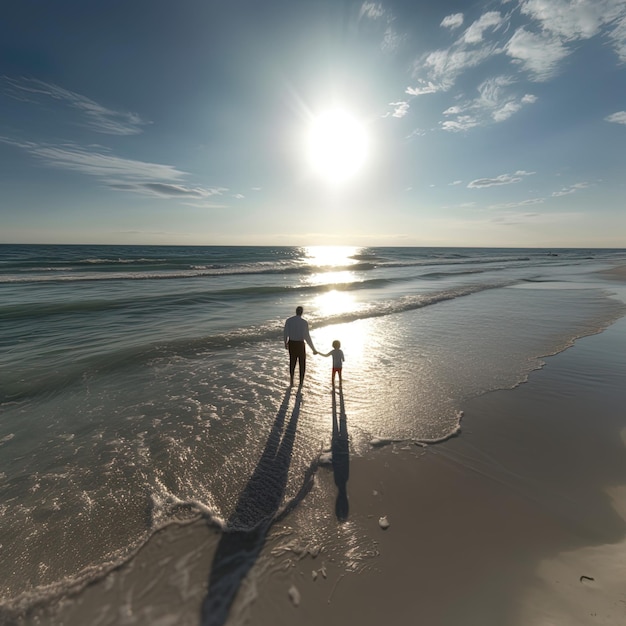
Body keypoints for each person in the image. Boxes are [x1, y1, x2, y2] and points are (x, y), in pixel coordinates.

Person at [283, 306, 317, 386]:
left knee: (292, 362)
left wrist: (285, 343)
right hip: (300, 344)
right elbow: (307, 337)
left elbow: (285, 333)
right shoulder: (304, 322)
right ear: (302, 312)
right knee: (302, 363)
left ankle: (291, 380)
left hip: (291, 343)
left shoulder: (289, 320)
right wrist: (313, 349)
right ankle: (301, 382)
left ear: (296, 311)